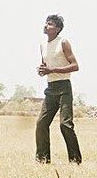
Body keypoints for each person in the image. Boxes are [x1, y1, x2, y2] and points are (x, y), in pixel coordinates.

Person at [34, 14, 82, 164]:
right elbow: (46, 66)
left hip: (64, 87)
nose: (46, 26)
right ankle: (43, 159)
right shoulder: (43, 45)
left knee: (65, 124)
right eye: (46, 23)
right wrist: (43, 71)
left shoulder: (63, 43)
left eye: (50, 24)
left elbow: (75, 66)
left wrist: (52, 69)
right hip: (50, 88)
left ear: (58, 29)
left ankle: (75, 160)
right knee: (41, 124)